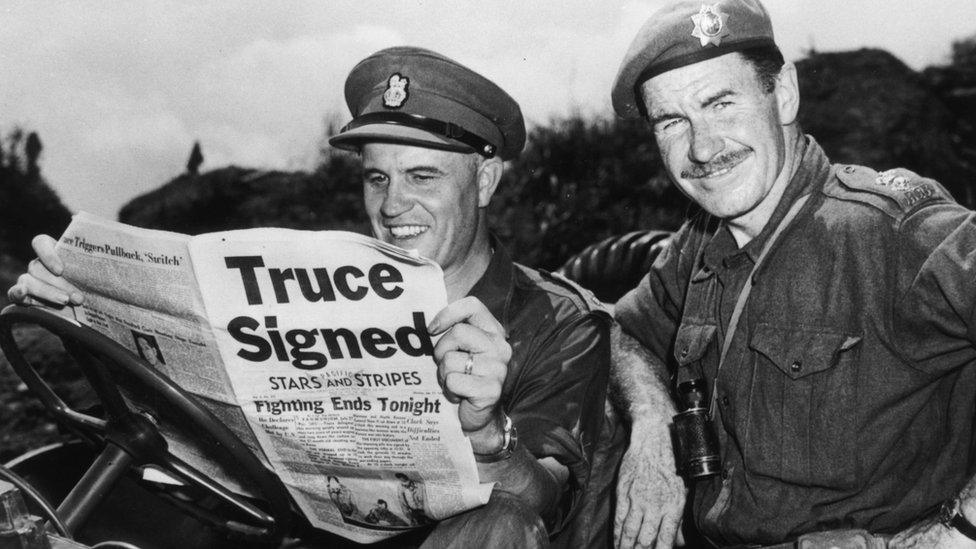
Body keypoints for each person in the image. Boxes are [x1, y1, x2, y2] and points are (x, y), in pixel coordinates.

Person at [8, 46, 612, 548]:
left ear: (484, 180)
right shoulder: (317, 291)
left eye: (422, 176)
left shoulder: (559, 322)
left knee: (500, 521)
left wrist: (484, 435)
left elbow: (542, 498)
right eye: (378, 178)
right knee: (31, 502)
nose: (393, 205)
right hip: (279, 529)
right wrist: (90, 317)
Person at [608, 0, 976, 547]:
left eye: (720, 103)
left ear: (782, 94)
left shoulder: (892, 232)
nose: (703, 147)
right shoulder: (700, 240)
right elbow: (626, 332)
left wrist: (959, 528)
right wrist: (652, 424)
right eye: (671, 122)